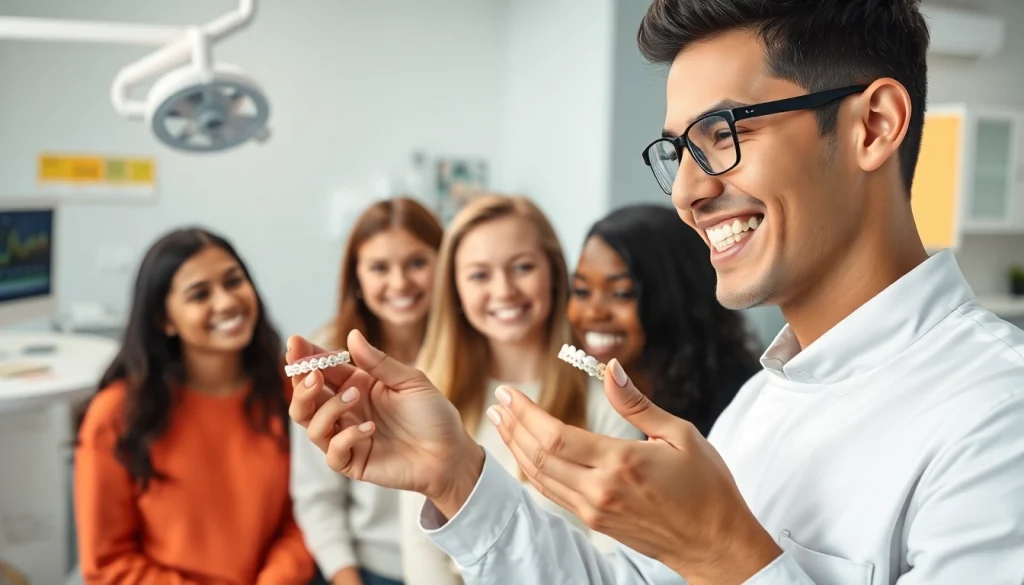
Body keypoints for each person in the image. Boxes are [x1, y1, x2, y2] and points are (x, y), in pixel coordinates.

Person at [285, 0, 1024, 583]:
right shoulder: (762, 404)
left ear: (873, 125)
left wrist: (725, 553)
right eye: (679, 150)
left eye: (722, 132)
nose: (688, 192)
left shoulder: (996, 418)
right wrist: (458, 477)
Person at [399, 194, 643, 585]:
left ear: (553, 271)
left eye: (523, 267)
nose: (504, 290)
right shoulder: (431, 396)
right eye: (480, 275)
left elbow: (616, 554)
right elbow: (420, 549)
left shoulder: (604, 397)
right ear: (455, 289)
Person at [74, 228, 313, 585]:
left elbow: (307, 516)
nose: (227, 302)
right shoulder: (115, 415)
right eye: (200, 294)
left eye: (234, 281)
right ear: (164, 319)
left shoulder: (289, 391)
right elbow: (108, 561)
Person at [292, 197, 443, 585]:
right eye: (379, 268)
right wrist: (347, 578)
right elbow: (316, 497)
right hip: (369, 570)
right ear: (356, 277)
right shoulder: (328, 358)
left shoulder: (472, 351)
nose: (399, 283)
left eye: (416, 263)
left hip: (459, 565)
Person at [569, 204, 760, 435]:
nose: (592, 312)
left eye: (621, 293)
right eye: (581, 291)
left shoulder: (741, 408)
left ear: (677, 299)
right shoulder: (583, 395)